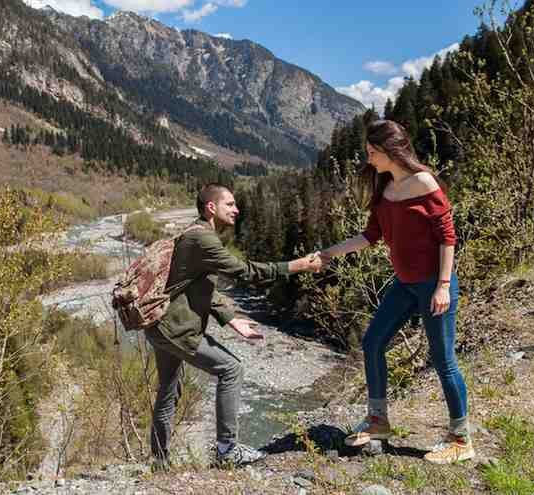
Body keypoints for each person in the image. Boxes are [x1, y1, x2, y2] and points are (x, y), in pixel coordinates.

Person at [316, 120, 474, 464]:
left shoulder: (424, 182)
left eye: (372, 152)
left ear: (390, 151)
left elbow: (448, 236)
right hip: (405, 283)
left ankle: (461, 439)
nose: (368, 158)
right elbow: (371, 236)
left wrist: (444, 286)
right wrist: (330, 252)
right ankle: (378, 421)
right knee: (372, 342)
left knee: (443, 361)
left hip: (435, 284)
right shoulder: (384, 187)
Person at [146, 183, 322, 470]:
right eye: (230, 204)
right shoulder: (204, 240)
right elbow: (247, 272)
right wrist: (297, 265)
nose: (237, 209)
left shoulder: (193, 233)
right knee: (231, 368)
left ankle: (159, 464)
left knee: (168, 389)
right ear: (211, 207)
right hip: (176, 328)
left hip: (159, 325)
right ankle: (227, 450)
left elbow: (199, 287)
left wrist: (231, 319)